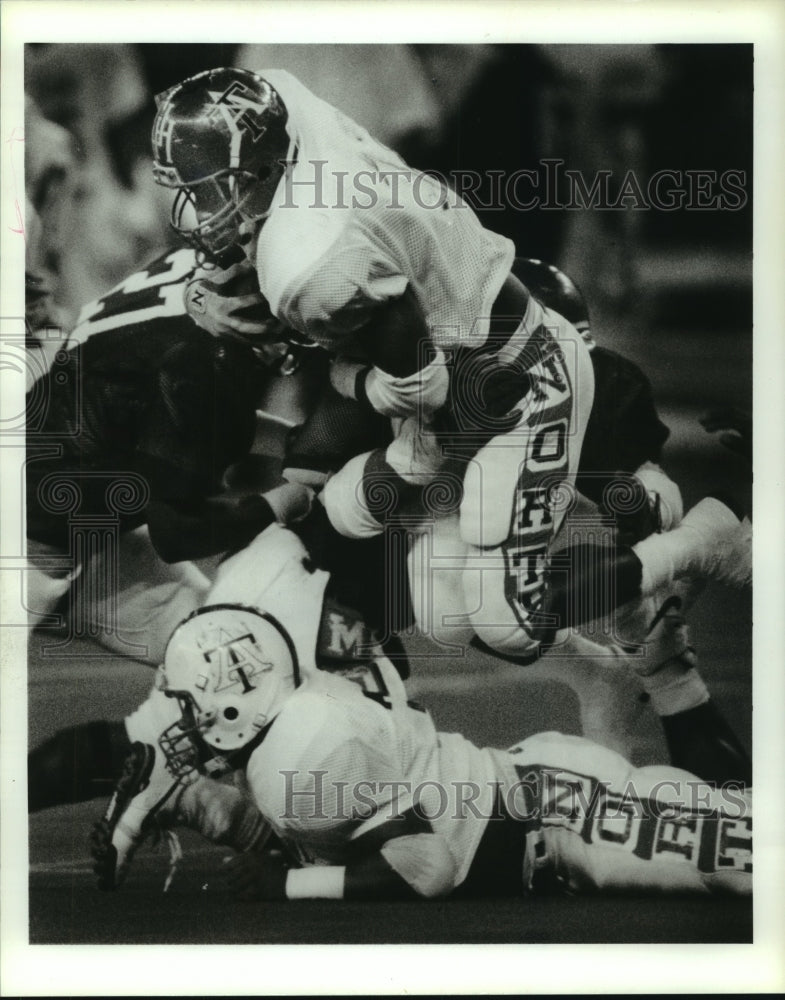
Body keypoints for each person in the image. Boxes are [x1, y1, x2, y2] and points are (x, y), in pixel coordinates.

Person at [149, 68, 749, 664]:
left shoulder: (311, 264)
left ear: (258, 174)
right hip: (457, 381)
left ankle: (702, 543)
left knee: (510, 624)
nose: (197, 210)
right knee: (445, 617)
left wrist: (376, 442)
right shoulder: (289, 115)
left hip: (514, 384)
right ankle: (576, 556)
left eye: (207, 189)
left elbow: (419, 390)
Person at [86, 517, 752, 900]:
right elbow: (347, 830)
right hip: (528, 794)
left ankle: (687, 604)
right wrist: (233, 821)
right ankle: (663, 668)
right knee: (736, 822)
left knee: (757, 855)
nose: (190, 720)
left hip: (561, 815)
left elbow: (424, 866)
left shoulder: (300, 749)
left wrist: (287, 886)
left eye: (198, 703)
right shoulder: (294, 707)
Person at [25, 246, 313, 661]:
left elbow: (144, 407)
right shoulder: (197, 359)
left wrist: (291, 444)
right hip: (33, 538)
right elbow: (178, 532)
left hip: (82, 518)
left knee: (230, 654)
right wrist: (281, 504)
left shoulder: (192, 267)